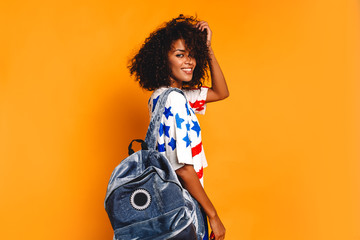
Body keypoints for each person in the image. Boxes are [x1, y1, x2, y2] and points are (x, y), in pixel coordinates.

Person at [129, 14, 229, 240]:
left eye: (193, 55)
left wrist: (208, 49)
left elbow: (221, 92)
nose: (189, 61)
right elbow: (183, 168)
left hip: (166, 210)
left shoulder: (161, 97)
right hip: (183, 209)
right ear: (164, 60)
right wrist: (213, 215)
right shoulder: (174, 100)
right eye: (180, 55)